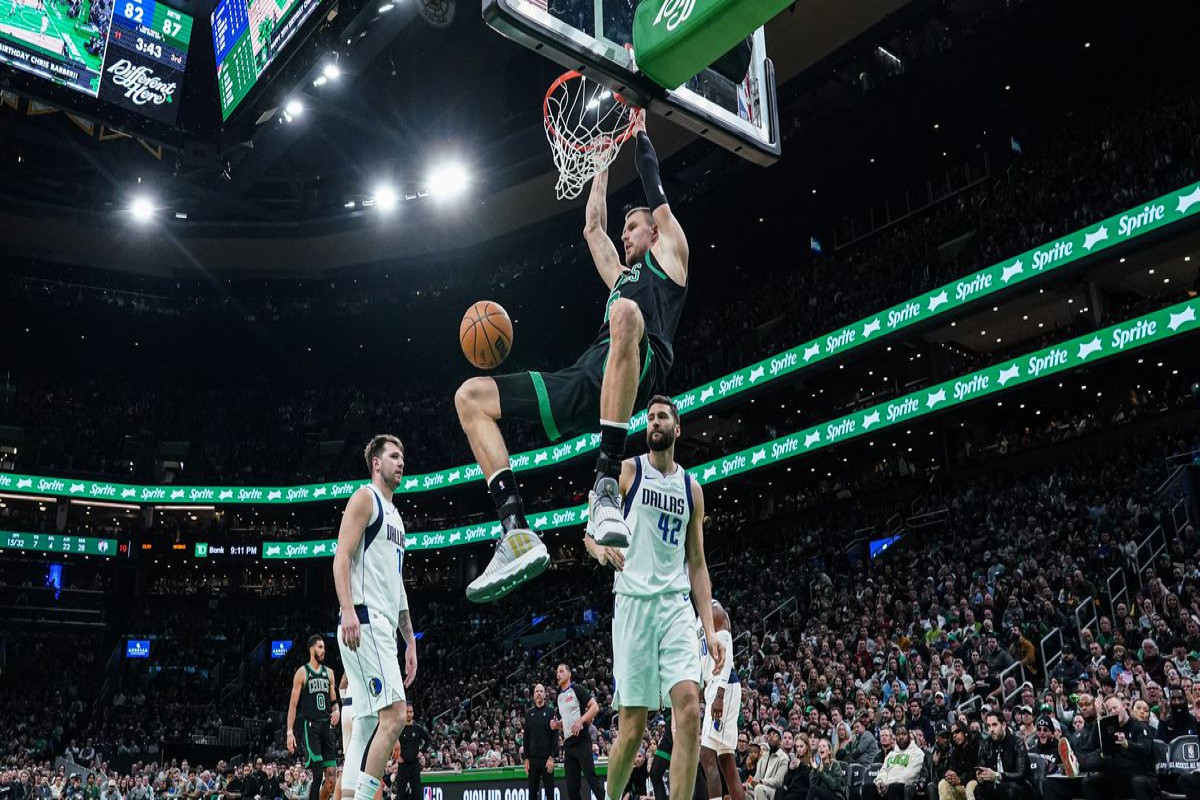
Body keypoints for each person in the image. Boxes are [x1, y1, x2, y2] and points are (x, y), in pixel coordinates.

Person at [459, 111, 690, 602]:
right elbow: (591, 228)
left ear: (653, 232)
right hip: (593, 374)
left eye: (633, 227)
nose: (624, 234)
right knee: (470, 397)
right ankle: (515, 532)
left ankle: (604, 486)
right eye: (624, 227)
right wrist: (603, 157)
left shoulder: (671, 257)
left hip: (643, 368)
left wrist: (640, 131)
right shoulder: (620, 280)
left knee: (625, 315)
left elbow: (656, 190)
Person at [582, 395, 722, 800]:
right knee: (632, 728)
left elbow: (697, 562)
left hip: (676, 605)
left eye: (662, 417)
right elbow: (589, 533)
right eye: (650, 418)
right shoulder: (627, 472)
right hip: (633, 606)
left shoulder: (691, 489)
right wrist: (599, 550)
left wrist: (709, 630)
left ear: (677, 429)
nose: (654, 422)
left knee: (690, 710)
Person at [334, 435, 418, 800]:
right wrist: (349, 609)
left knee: (368, 723)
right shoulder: (365, 498)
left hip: (380, 622)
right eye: (394, 456)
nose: (401, 462)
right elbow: (340, 558)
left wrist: (411, 640)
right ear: (376, 464)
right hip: (363, 621)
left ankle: (351, 795)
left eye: (403, 457)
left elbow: (397, 586)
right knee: (396, 715)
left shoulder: (397, 517)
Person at [286, 634, 341, 800]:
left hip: (327, 728)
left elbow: (333, 701)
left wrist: (337, 710)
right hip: (311, 728)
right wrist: (290, 731)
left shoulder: (330, 673)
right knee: (317, 775)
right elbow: (293, 705)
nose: (323, 651)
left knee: (331, 781)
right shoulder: (302, 673)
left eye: (324, 647)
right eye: (320, 647)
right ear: (311, 650)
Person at [700, 601, 744, 800]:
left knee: (707, 754)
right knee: (726, 759)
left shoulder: (715, 611)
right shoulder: (695, 619)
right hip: (715, 685)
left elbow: (728, 655)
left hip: (723, 686)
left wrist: (719, 694)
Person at [1080, 695, 1156, 800]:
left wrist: (1126, 744)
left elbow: (1145, 749)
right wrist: (1098, 717)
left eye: (1115, 707)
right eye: (1110, 710)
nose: (1113, 711)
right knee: (1090, 781)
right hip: (1120, 777)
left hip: (1142, 775)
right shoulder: (1110, 729)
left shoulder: (1140, 726)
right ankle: (1077, 764)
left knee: (1137, 781)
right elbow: (1093, 745)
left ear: (1123, 706)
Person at [553, 664, 605, 800]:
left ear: (569, 674)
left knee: (591, 778)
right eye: (557, 672)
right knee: (571, 787)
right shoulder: (559, 696)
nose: (558, 674)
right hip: (568, 744)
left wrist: (581, 721)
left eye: (561, 671)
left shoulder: (577, 689)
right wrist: (557, 725)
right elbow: (567, 722)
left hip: (582, 740)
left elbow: (595, 708)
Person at [974, 710, 1034, 800]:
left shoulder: (1017, 742)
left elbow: (1021, 774)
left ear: (1003, 725)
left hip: (1019, 787)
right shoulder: (985, 744)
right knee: (979, 790)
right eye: (989, 726)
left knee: (1010, 788)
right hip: (997, 786)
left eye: (994, 725)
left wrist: (998, 776)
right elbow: (981, 767)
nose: (991, 729)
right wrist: (981, 778)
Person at [867, 726, 924, 800]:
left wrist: (888, 784)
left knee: (895, 787)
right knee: (868, 787)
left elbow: (911, 775)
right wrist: (880, 782)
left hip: (905, 788)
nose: (901, 737)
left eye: (904, 734)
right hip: (887, 787)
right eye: (898, 734)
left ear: (909, 736)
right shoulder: (891, 754)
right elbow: (883, 770)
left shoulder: (917, 753)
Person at [525, 683, 560, 800]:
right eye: (536, 691)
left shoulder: (551, 712)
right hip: (533, 760)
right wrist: (526, 758)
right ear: (533, 695)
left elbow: (555, 737)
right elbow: (526, 738)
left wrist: (551, 757)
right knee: (532, 794)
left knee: (550, 793)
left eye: (541, 691)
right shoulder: (529, 714)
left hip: (547, 760)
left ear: (545, 695)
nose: (539, 693)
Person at [395, 703, 433, 800]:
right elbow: (390, 741)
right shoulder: (399, 728)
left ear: (413, 714)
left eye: (410, 712)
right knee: (400, 795)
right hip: (402, 765)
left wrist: (421, 751)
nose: (408, 714)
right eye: (407, 712)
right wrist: (396, 757)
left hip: (414, 764)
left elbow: (428, 739)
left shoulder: (417, 728)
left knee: (417, 795)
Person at [937, 724, 979, 800]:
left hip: (976, 783)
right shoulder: (955, 752)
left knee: (970, 786)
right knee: (943, 784)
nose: (955, 736)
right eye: (953, 734)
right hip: (961, 785)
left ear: (964, 731)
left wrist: (960, 779)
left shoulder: (977, 745)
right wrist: (949, 775)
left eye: (957, 732)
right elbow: (952, 769)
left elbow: (979, 771)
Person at [744, 727, 788, 800]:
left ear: (780, 741)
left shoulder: (784, 758)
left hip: (774, 792)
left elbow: (778, 781)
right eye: (769, 735)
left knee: (759, 789)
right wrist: (748, 785)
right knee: (744, 793)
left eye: (774, 735)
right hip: (760, 788)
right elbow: (756, 778)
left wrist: (761, 782)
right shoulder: (763, 757)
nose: (771, 737)